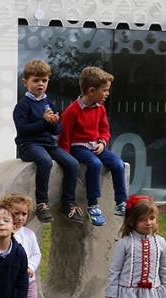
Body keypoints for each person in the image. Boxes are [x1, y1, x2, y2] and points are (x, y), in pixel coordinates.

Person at [13, 59, 83, 224]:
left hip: (48, 144)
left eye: (44, 80)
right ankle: (42, 204)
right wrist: (44, 122)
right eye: (36, 80)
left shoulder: (48, 102)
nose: (40, 84)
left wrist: (54, 123)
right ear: (25, 82)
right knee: (45, 161)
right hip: (28, 145)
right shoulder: (23, 106)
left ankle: (68, 204)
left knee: (72, 163)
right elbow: (23, 129)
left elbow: (56, 131)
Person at [58, 66, 127, 226]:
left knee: (118, 164)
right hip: (79, 148)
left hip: (97, 146)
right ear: (91, 90)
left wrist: (102, 142)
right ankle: (93, 204)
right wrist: (65, 159)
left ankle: (121, 202)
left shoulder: (100, 108)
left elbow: (104, 130)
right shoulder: (72, 111)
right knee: (94, 164)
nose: (107, 94)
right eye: (105, 90)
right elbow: (65, 137)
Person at [1, 193, 42, 298]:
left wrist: (30, 266)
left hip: (29, 283)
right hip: (12, 285)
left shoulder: (29, 234)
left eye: (24, 214)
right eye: (16, 213)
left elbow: (36, 254)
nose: (20, 217)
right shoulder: (5, 234)